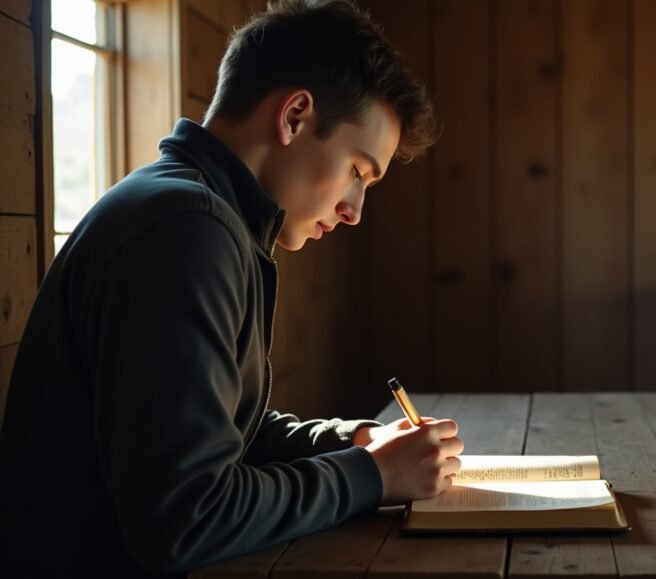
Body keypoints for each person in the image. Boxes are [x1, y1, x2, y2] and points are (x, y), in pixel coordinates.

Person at [0, 1, 463, 576]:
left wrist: (356, 440)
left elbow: (220, 432)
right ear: (294, 116)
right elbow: (190, 515)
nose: (353, 211)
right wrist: (371, 476)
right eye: (356, 171)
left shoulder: (196, 212)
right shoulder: (187, 229)